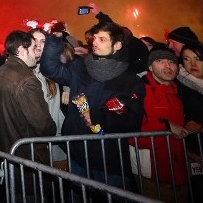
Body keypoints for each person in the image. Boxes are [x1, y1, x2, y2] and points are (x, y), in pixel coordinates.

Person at [40, 19, 145, 191]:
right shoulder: (79, 66)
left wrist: (99, 117)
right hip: (77, 155)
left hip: (109, 162)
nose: (94, 42)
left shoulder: (130, 80)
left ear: (117, 45)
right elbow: (50, 69)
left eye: (102, 39)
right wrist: (55, 39)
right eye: (94, 38)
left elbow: (132, 122)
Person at [130, 47, 203, 202]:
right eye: (160, 61)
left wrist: (189, 150)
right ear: (150, 67)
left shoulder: (180, 93)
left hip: (179, 172)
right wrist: (165, 126)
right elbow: (128, 125)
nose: (167, 66)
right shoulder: (138, 90)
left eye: (171, 62)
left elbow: (180, 130)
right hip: (151, 172)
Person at [0, 31, 56, 160]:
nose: (36, 52)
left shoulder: (2, 70)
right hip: (27, 154)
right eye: (33, 48)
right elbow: (42, 124)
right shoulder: (27, 80)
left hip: (4, 148)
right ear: (22, 50)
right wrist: (52, 129)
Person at [29, 28, 67, 168]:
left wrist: (67, 88)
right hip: (33, 141)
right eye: (34, 41)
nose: (38, 45)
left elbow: (74, 73)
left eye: (43, 41)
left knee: (60, 184)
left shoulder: (54, 68)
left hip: (56, 138)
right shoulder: (23, 70)